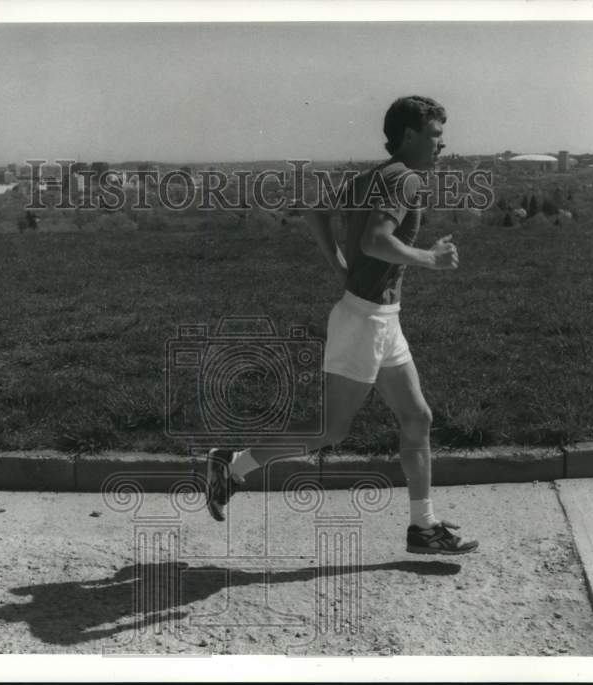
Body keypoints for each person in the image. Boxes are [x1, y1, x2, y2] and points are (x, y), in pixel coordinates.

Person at [205, 95, 478, 555]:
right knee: (330, 431)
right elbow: (375, 240)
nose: (442, 145)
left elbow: (316, 213)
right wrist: (429, 258)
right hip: (365, 322)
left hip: (379, 318)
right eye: (434, 136)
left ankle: (423, 527)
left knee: (417, 417)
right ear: (409, 135)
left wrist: (340, 268)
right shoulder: (405, 180)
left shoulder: (374, 175)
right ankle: (231, 465)